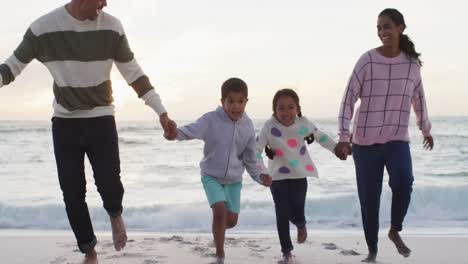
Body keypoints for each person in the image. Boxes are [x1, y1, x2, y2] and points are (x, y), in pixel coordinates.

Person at [0, 0, 177, 263]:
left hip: (101, 119)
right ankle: (89, 250)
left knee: (109, 184)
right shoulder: (42, 29)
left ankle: (115, 214)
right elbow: (11, 68)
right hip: (65, 122)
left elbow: (133, 74)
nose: (106, 3)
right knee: (72, 193)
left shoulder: (112, 28)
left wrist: (161, 112)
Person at [335, 8, 434, 263]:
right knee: (369, 199)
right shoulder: (367, 61)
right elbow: (348, 99)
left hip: (397, 140)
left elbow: (418, 98)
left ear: (400, 27)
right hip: (365, 143)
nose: (382, 32)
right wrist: (344, 135)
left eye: (387, 26)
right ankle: (372, 251)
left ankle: (394, 229)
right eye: (379, 28)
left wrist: (425, 128)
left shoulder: (411, 65)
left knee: (404, 181)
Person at [169, 77, 272, 264]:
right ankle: (220, 254)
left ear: (246, 102)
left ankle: (217, 231)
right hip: (211, 176)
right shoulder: (210, 120)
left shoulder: (248, 126)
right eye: (230, 101)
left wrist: (260, 175)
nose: (236, 106)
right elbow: (191, 130)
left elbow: (251, 158)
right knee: (219, 210)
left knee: (231, 220)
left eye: (240, 101)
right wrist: (173, 133)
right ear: (222, 101)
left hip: (234, 179)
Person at [255, 89, 341, 263]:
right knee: (282, 212)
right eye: (281, 108)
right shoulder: (269, 127)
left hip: (299, 174)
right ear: (274, 110)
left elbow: (321, 138)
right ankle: (287, 251)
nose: (286, 112)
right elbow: (255, 150)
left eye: (290, 107)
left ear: (298, 108)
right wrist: (261, 171)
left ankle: (301, 224)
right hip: (277, 175)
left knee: (297, 211)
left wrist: (337, 149)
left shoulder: (303, 124)